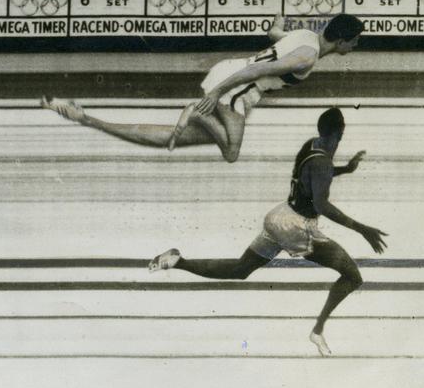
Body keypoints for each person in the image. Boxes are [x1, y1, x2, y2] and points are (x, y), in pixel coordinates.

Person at [148, 108, 387, 356]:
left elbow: (314, 175)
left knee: (240, 270)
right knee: (352, 276)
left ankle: (177, 261)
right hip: (297, 228)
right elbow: (321, 204)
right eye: (339, 138)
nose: (339, 142)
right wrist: (362, 229)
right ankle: (317, 331)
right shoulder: (323, 162)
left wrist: (345, 170)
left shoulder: (311, 146)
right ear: (339, 134)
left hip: (278, 217)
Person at [42, 14, 364, 162]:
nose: (355, 47)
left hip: (231, 75)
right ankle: (194, 112)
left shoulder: (307, 37)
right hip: (235, 87)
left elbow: (273, 34)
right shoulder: (307, 57)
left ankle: (86, 118)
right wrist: (211, 96)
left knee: (173, 138)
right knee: (231, 153)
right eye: (355, 42)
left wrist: (277, 25)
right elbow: (257, 69)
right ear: (343, 40)